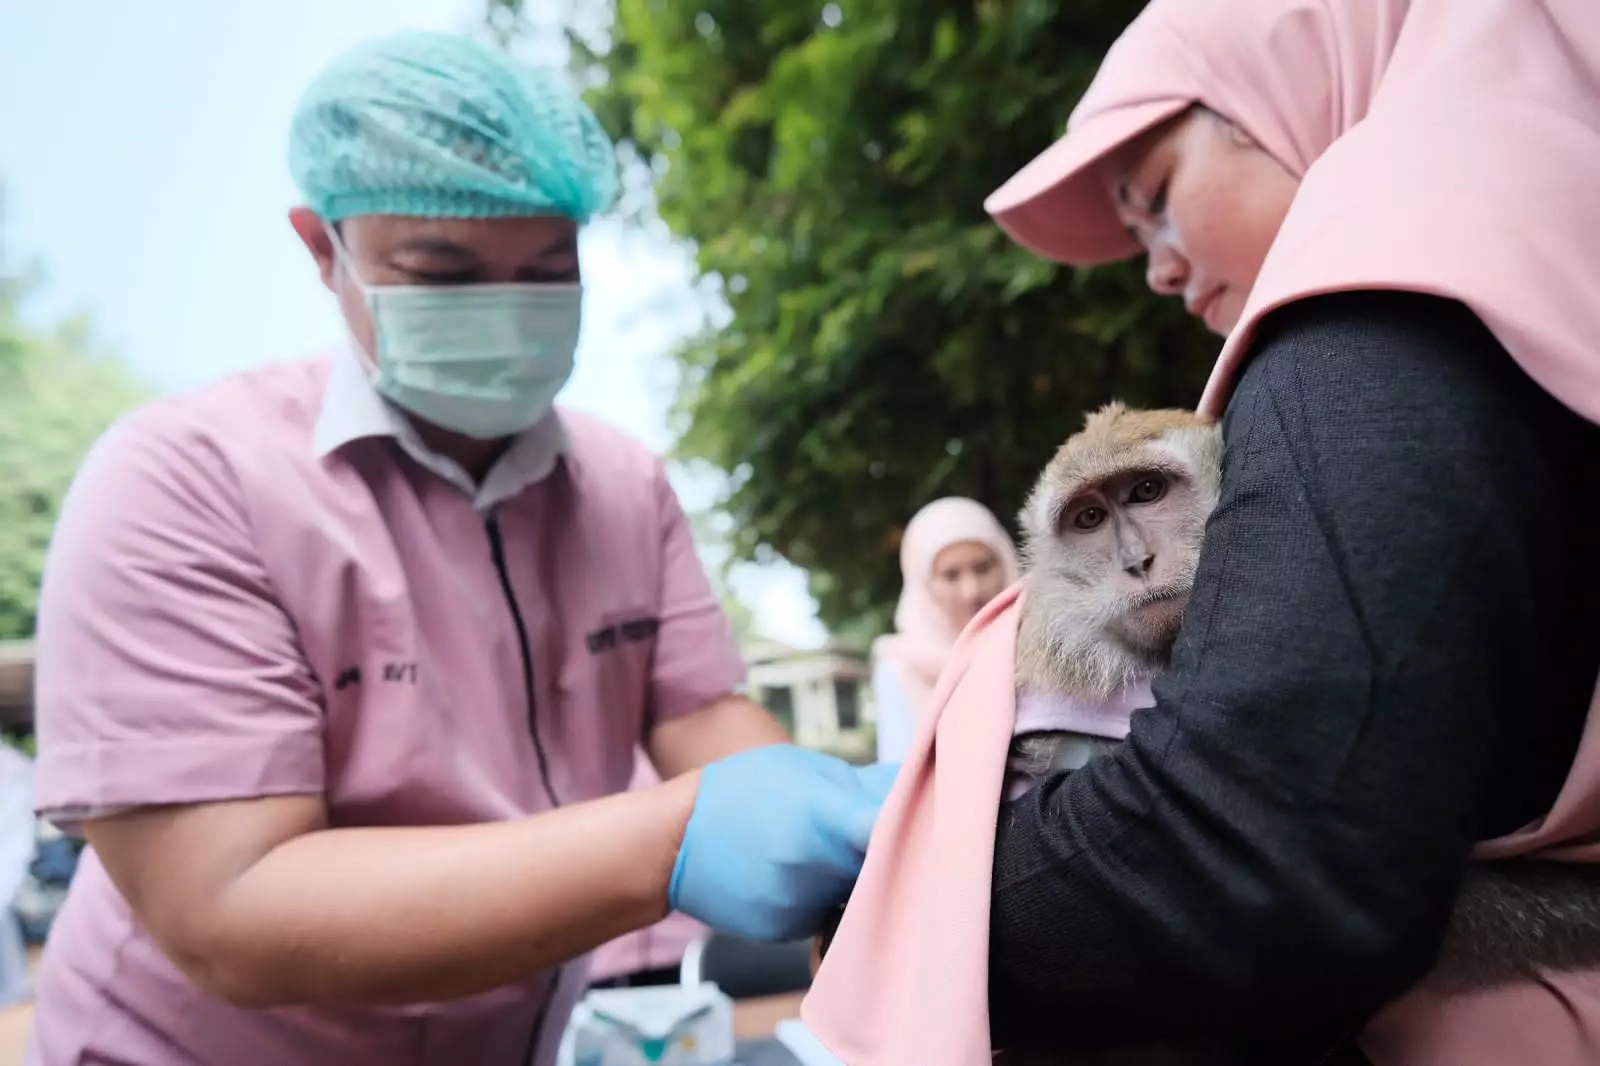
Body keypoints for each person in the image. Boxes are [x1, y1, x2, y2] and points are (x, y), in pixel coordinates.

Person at [25, 31, 893, 1066]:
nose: (502, 309)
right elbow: (232, 906)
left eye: (545, 271)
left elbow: (701, 712)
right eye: (442, 272)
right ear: (322, 248)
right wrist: (670, 838)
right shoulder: (184, 482)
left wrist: (857, 829)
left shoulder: (625, 487)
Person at [973, 0, 1600, 1061]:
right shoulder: (1542, 206)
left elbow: (1274, 849)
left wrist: (914, 898)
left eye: (1158, 201)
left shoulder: (1394, 259)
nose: (1158, 269)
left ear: (1279, 84)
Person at [871, 498, 1017, 763]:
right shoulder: (902, 668)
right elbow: (896, 773)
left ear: (1006, 562)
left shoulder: (1043, 648)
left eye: (983, 568)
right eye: (951, 575)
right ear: (924, 584)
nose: (972, 591)